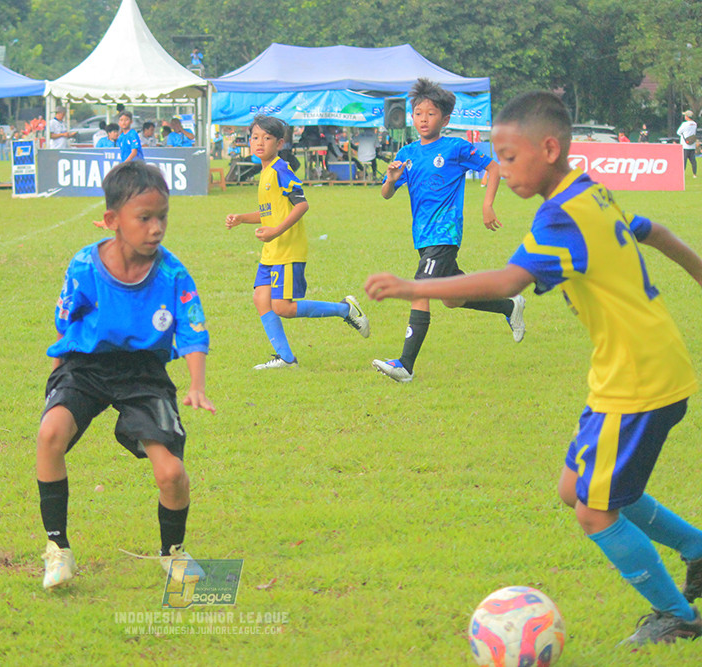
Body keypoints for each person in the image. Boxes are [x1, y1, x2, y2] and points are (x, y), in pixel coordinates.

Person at [365, 90, 702, 646]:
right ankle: (695, 547)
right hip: (622, 372)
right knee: (576, 488)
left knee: (595, 512)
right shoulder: (588, 192)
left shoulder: (561, 216)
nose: (499, 167)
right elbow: (654, 231)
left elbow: (507, 281)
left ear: (549, 148)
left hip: (641, 380)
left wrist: (413, 285)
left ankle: (683, 619)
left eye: (508, 155)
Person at [37, 161, 215, 589]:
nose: (156, 228)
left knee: (171, 474)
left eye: (163, 216)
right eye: (145, 218)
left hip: (143, 373)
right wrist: (57, 378)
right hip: (88, 364)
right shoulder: (84, 266)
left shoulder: (172, 273)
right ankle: (57, 549)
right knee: (49, 435)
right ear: (113, 220)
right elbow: (65, 321)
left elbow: (192, 330)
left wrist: (196, 385)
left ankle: (172, 553)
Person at [373, 78, 524, 383]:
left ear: (444, 119)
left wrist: (487, 205)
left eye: (430, 114)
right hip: (423, 236)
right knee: (452, 298)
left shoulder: (455, 148)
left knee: (420, 288)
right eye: (418, 114)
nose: (423, 120)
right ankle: (510, 305)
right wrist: (390, 179)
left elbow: (493, 168)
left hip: (444, 233)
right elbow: (386, 194)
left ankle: (405, 365)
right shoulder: (408, 153)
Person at [224, 115, 370, 370]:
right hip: (272, 249)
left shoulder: (281, 169)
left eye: (267, 138)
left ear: (279, 143)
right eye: (255, 137)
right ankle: (286, 358)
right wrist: (241, 218)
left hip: (288, 249)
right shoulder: (265, 171)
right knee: (261, 298)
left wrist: (275, 232)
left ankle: (345, 310)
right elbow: (271, 212)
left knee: (283, 307)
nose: (260, 143)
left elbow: (301, 205)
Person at [677, 110, 697, 179]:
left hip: (685, 145)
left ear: (687, 116)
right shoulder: (694, 124)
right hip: (692, 145)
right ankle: (694, 174)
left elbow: (678, 132)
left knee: (684, 160)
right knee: (693, 160)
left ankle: (682, 174)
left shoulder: (684, 124)